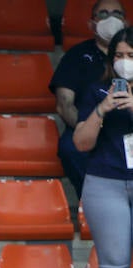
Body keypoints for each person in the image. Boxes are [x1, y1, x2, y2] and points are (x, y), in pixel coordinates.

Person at [75, 27, 133, 268]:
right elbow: (81, 144)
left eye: (131, 55)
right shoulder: (97, 91)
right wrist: (101, 110)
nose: (125, 61)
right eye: (119, 55)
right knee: (113, 266)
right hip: (105, 182)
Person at [53, 0, 126, 194]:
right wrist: (88, 126)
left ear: (125, 22)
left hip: (128, 125)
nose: (111, 18)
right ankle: (91, 198)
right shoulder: (77, 55)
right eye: (103, 14)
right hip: (88, 122)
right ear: (91, 24)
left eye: (117, 14)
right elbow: (64, 104)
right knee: (70, 147)